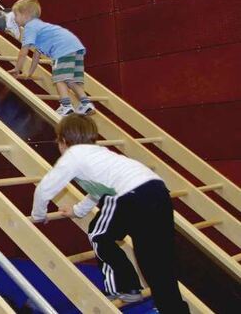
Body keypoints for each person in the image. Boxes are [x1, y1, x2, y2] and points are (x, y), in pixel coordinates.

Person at [30, 115, 190, 314]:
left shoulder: (73, 155)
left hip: (131, 193)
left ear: (62, 141)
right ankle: (173, 310)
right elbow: (99, 191)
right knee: (156, 260)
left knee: (98, 234)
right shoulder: (100, 154)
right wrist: (78, 210)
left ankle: (125, 287)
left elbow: (44, 189)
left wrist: (38, 215)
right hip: (158, 191)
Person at [10, 0, 94, 117]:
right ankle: (86, 104)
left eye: (16, 15)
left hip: (62, 49)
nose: (15, 19)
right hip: (75, 47)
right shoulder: (41, 28)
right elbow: (36, 55)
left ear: (25, 15)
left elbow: (24, 51)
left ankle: (66, 106)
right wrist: (29, 73)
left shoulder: (30, 27)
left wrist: (17, 68)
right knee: (71, 79)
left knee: (59, 79)